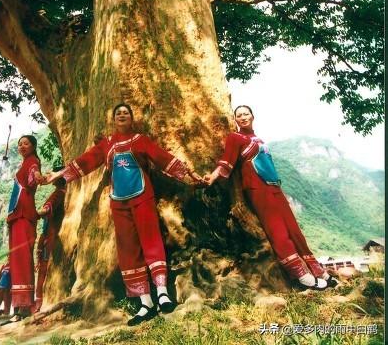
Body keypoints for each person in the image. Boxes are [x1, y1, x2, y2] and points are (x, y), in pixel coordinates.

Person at [43, 103, 203, 326]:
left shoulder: (140, 140)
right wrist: (60, 174)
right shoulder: (106, 144)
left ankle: (163, 295)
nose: (121, 115)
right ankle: (145, 303)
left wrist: (189, 173)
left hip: (143, 197)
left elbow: (162, 157)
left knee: (152, 242)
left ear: (131, 118)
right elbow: (86, 161)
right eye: (118, 113)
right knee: (128, 249)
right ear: (113, 119)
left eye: (125, 113)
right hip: (119, 203)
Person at [203, 106, 337, 290]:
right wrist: (213, 176)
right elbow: (226, 162)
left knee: (294, 230)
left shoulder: (258, 139)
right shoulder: (236, 138)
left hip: (274, 187)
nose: (243, 117)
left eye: (246, 114)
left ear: (253, 116)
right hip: (257, 188)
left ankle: (319, 271)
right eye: (239, 115)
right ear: (235, 119)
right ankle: (302, 276)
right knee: (278, 231)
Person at [7, 134, 42, 318]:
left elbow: (33, 173)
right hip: (15, 215)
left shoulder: (32, 161)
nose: (21, 146)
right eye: (19, 144)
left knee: (23, 258)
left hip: (24, 214)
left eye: (26, 143)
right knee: (16, 259)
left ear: (33, 146)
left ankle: (26, 306)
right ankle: (19, 307)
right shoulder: (23, 163)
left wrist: (37, 176)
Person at [34, 173, 66, 312]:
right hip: (51, 235)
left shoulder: (59, 194)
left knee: (44, 270)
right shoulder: (63, 193)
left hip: (53, 237)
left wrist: (36, 214)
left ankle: (39, 302)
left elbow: (48, 207)